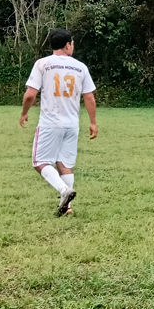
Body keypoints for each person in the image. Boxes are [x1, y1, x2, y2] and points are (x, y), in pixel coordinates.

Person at [19, 29, 97, 216]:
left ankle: (64, 191)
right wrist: (93, 122)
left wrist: (24, 113)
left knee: (39, 162)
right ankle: (67, 207)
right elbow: (89, 97)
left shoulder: (43, 64)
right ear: (68, 45)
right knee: (64, 163)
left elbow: (30, 94)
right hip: (72, 124)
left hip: (50, 123)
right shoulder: (80, 67)